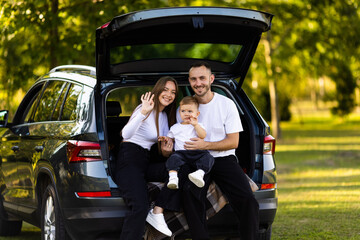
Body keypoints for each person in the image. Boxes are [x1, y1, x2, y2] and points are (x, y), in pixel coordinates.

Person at [179, 61, 259, 240]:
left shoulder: (227, 104)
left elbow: (233, 142)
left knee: (248, 200)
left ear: (211, 79)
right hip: (197, 160)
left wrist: (205, 145)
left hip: (223, 159)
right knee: (189, 194)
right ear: (189, 81)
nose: (198, 83)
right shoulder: (186, 107)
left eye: (202, 78)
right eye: (193, 79)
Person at [115, 76, 177, 240]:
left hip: (145, 161)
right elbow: (125, 134)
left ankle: (158, 211)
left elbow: (162, 151)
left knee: (177, 170)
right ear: (158, 90)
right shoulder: (145, 108)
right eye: (165, 90)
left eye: (173, 92)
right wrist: (143, 111)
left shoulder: (164, 117)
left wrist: (166, 152)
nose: (169, 94)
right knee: (140, 207)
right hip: (129, 159)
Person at [163, 96, 214, 189]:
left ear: (197, 114)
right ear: (179, 113)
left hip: (197, 153)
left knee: (208, 157)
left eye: (190, 111)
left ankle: (199, 173)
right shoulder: (175, 127)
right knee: (173, 158)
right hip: (181, 153)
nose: (186, 114)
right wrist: (165, 139)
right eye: (183, 111)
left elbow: (202, 135)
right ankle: (173, 178)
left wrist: (195, 125)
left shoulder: (198, 125)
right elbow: (170, 139)